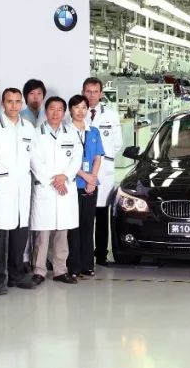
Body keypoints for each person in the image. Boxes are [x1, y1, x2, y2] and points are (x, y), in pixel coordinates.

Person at [29, 96, 81, 286]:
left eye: (60, 109)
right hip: (47, 188)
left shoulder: (72, 133)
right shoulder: (36, 133)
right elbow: (34, 160)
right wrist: (54, 180)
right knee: (42, 235)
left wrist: (64, 176)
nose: (56, 113)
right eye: (52, 109)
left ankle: (60, 270)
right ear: (46, 111)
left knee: (62, 233)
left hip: (64, 187)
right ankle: (39, 270)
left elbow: (76, 158)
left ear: (64, 112)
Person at [0, 88, 37, 291]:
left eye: (18, 101)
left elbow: (33, 157)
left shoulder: (28, 128)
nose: (14, 105)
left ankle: (16, 274)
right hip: (2, 186)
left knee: (20, 232)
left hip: (22, 187)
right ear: (3, 104)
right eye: (10, 101)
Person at [84, 77, 123, 266]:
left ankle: (101, 254)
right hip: (83, 171)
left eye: (95, 92)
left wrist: (101, 158)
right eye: (88, 91)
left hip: (104, 171)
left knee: (101, 215)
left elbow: (117, 143)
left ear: (101, 94)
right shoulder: (76, 112)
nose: (91, 95)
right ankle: (83, 255)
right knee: (84, 215)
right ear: (83, 92)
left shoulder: (111, 115)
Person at [67, 95, 104, 278]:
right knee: (73, 227)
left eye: (84, 107)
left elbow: (98, 157)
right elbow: (66, 161)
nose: (80, 111)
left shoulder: (94, 131)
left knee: (88, 225)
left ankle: (88, 265)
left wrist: (92, 179)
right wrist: (85, 175)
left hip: (90, 185)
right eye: (76, 107)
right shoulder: (65, 131)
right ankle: (74, 266)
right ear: (70, 110)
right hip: (73, 184)